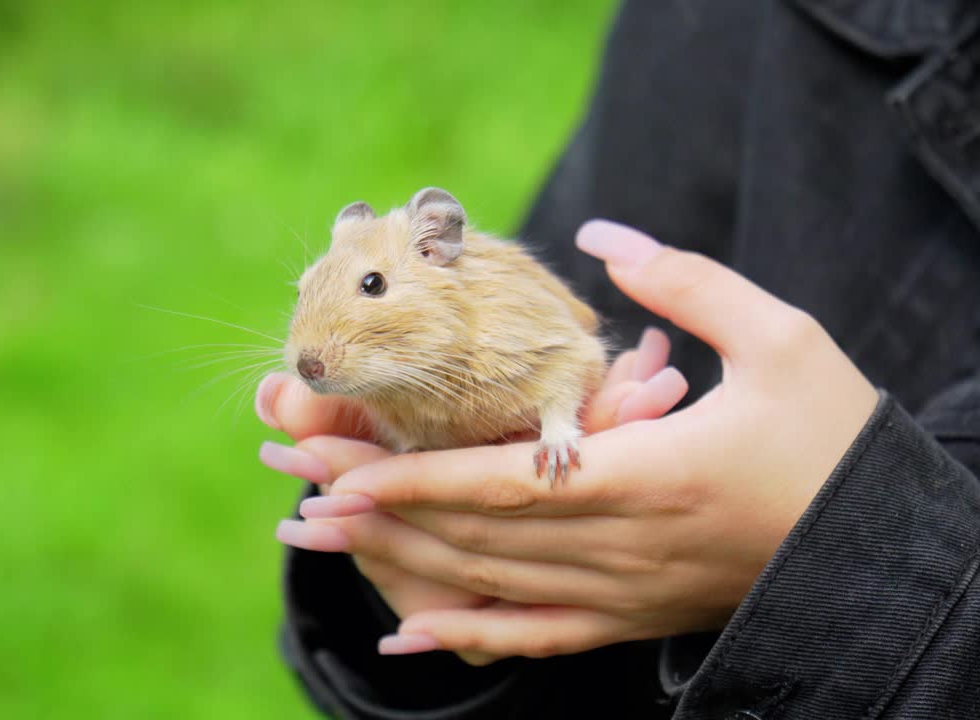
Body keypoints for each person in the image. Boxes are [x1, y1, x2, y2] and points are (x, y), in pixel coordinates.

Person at [256, 2, 980, 718]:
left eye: (373, 288)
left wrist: (863, 556)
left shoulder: (490, 321)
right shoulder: (709, 28)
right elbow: (593, 291)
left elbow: (564, 351)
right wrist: (410, 569)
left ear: (436, 244)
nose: (310, 355)